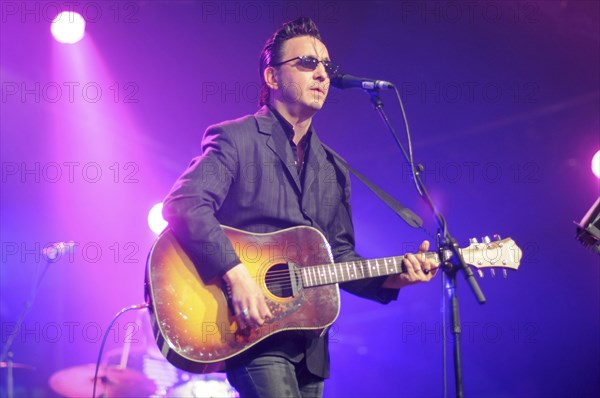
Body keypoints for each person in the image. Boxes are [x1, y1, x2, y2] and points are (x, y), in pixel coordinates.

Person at [162, 17, 438, 398]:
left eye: (327, 65)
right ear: (272, 78)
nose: (323, 74)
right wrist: (236, 276)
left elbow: (337, 257)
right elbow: (184, 203)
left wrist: (396, 278)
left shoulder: (334, 168)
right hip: (250, 332)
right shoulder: (238, 138)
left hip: (310, 343)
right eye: (307, 63)